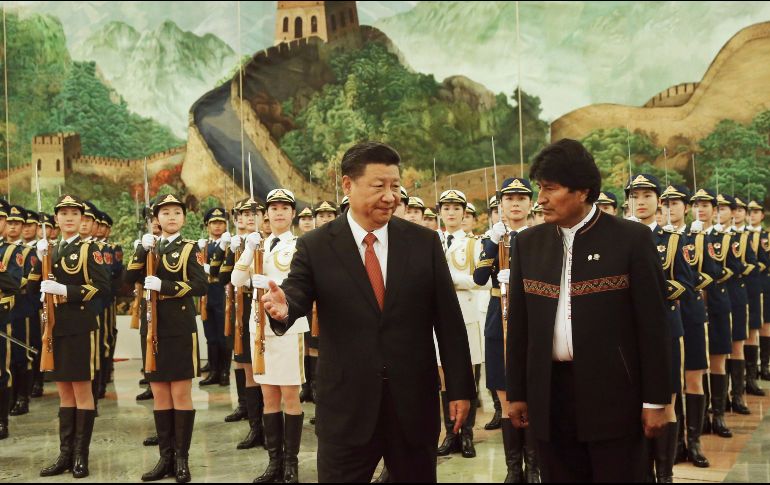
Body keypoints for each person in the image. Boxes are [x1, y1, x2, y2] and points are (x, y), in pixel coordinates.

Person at [259, 141, 476, 482]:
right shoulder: (317, 245)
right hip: (346, 407)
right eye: (378, 186)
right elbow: (297, 291)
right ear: (348, 185)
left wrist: (460, 389)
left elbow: (449, 322)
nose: (390, 196)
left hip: (412, 406)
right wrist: (284, 307)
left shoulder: (423, 243)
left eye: (395, 186)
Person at [506, 139, 671, 483]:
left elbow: (654, 326)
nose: (540, 199)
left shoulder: (631, 240)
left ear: (582, 191)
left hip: (615, 397)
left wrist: (657, 401)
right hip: (550, 397)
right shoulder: (528, 244)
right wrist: (518, 394)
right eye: (540, 188)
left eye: (550, 188)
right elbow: (520, 328)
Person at [125, 193, 207, 484]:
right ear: (156, 219)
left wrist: (166, 286)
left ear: (184, 218)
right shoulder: (148, 248)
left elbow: (201, 285)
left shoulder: (189, 248)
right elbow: (127, 280)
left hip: (179, 328)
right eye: (165, 213)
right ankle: (165, 458)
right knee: (159, 393)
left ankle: (182, 459)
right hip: (153, 329)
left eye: (177, 212)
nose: (171, 217)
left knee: (181, 393)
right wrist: (141, 250)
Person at [231, 188, 306, 483]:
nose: (279, 213)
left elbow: (303, 283)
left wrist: (275, 284)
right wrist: (249, 250)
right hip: (259, 327)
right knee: (268, 395)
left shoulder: (300, 245)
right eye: (273, 208)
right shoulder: (258, 245)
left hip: (287, 327)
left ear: (292, 213)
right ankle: (274, 462)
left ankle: (291, 463)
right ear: (266, 215)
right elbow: (237, 279)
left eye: (284, 208)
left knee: (290, 395)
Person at [35, 195, 111, 479]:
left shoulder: (89, 249)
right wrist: (39, 260)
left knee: (81, 390)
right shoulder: (51, 250)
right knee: (64, 392)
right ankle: (65, 454)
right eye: (63, 213)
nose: (69, 218)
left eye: (74, 214)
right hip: (56, 327)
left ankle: (81, 456)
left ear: (82, 219)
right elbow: (33, 285)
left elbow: (102, 288)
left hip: (79, 325)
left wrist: (66, 291)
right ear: (56, 219)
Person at [474, 177, 540, 482]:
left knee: (532, 396)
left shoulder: (541, 237)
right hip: (498, 318)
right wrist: (492, 240)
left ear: (530, 203)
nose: (515, 204)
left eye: (521, 198)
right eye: (509, 199)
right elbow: (479, 277)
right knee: (505, 399)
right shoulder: (494, 239)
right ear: (500, 205)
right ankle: (514, 469)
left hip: (531, 319)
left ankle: (534, 468)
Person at [434, 189, 483, 459]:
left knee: (468, 376)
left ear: (464, 213)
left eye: (456, 208)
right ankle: (451, 433)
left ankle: (467, 434)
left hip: (466, 314)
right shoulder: (433, 240)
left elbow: (479, 280)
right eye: (446, 208)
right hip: (438, 316)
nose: (451, 212)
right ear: (440, 212)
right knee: (444, 377)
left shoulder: (473, 244)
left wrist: (448, 279)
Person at [214, 198, 266, 450]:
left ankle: (270, 426)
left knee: (267, 371)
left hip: (266, 306)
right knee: (247, 367)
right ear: (236, 219)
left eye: (254, 214)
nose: (248, 218)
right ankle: (256, 426)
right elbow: (221, 276)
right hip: (243, 308)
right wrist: (228, 251)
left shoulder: (270, 241)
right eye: (243, 214)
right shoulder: (237, 244)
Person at [690, 189, 734, 440]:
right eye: (697, 205)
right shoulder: (684, 237)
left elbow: (722, 270)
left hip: (716, 304)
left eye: (705, 205)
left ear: (714, 210)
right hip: (694, 308)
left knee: (717, 360)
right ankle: (702, 417)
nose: (701, 210)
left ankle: (718, 415)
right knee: (697, 366)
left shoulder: (720, 238)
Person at [198, 207, 230, 387]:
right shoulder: (202, 246)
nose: (217, 226)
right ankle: (213, 371)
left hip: (222, 291)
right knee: (210, 335)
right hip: (206, 292)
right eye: (213, 223)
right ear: (207, 225)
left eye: (221, 222)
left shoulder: (229, 244)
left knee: (223, 334)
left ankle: (224, 371)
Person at [0, 198, 23, 440]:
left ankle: (1, 421)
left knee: (0, 371)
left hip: (0, 316)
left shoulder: (13, 252)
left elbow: (14, 284)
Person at [747, 200, 770, 381]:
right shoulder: (742, 235)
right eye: (750, 212)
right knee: (752, 326)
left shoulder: (766, 236)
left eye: (756, 212)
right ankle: (752, 370)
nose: (752, 215)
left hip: (764, 284)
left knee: (765, 325)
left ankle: (765, 365)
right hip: (748, 286)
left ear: (762, 215)